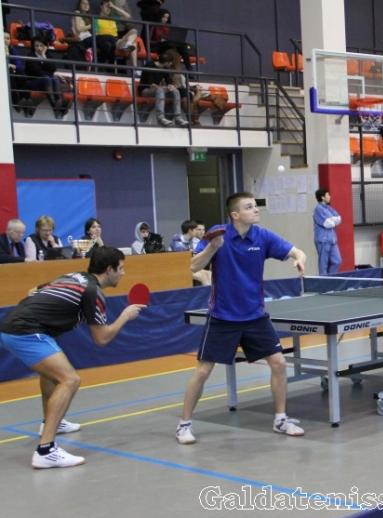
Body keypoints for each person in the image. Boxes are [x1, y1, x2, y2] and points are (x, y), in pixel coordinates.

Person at [176, 192, 308, 444]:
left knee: (279, 363)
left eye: (255, 206)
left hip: (255, 316)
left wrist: (299, 260)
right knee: (203, 371)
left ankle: (280, 419)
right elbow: (193, 267)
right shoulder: (217, 234)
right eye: (249, 207)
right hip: (222, 316)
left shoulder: (263, 236)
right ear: (235, 214)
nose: (256, 210)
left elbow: (297, 251)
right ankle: (184, 425)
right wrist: (213, 248)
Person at [0, 247, 145, 468]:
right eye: (121, 268)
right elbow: (102, 338)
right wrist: (125, 316)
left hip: (12, 325)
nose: (123, 273)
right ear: (109, 269)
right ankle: (46, 450)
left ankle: (51, 423)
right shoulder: (93, 292)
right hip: (26, 331)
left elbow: (33, 291)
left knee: (51, 375)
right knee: (70, 380)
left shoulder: (74, 276)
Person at [138, 51, 189, 127]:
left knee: (175, 91)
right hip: (145, 89)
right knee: (160, 90)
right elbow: (151, 84)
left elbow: (169, 81)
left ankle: (178, 118)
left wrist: (171, 86)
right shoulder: (149, 65)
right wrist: (163, 88)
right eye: (170, 62)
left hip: (157, 89)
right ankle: (160, 117)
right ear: (166, 62)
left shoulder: (165, 68)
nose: (171, 64)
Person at [24, 37, 66, 118]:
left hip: (46, 80)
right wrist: (49, 72)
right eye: (36, 46)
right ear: (33, 47)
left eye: (41, 46)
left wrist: (44, 57)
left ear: (46, 46)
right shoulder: (31, 56)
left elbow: (53, 68)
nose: (39, 48)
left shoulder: (48, 55)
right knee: (47, 78)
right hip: (33, 81)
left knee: (54, 78)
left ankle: (59, 100)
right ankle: (55, 106)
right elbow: (36, 71)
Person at [313, 189, 342, 275]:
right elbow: (327, 223)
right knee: (323, 265)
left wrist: (332, 220)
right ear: (322, 197)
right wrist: (333, 220)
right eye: (328, 195)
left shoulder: (329, 208)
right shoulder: (318, 209)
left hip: (332, 240)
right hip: (323, 241)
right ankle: (324, 282)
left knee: (337, 261)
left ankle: (330, 279)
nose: (330, 197)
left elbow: (339, 219)